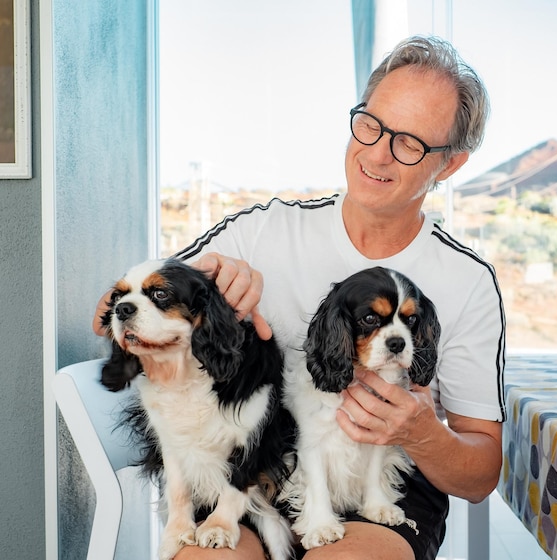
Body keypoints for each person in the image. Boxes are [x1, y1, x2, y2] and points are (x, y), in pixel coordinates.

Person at [94, 35, 505, 560]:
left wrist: (424, 434)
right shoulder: (260, 230)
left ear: (448, 165)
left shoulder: (468, 279)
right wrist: (208, 280)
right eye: (371, 125)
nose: (377, 153)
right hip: (246, 467)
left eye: (409, 143)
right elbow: (112, 310)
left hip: (380, 480)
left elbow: (481, 474)